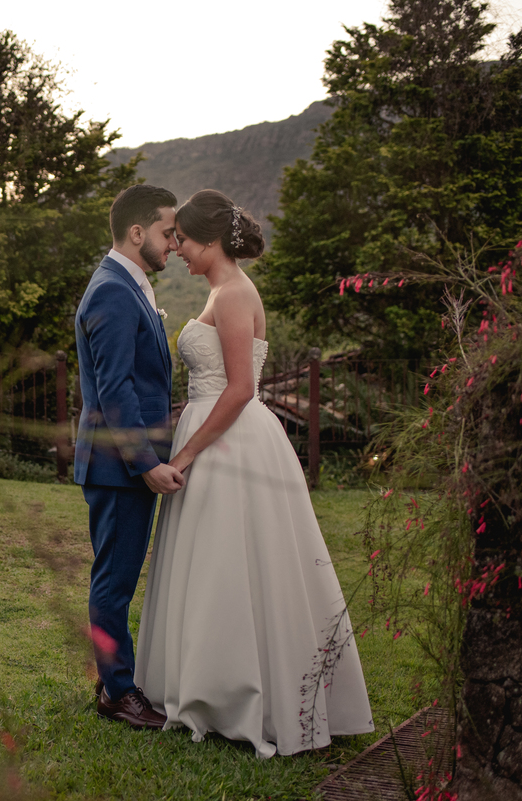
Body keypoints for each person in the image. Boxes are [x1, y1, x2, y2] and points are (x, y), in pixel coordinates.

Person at [133, 189, 374, 756]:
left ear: (211, 240)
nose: (178, 250)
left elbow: (242, 388)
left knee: (234, 562)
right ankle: (205, 680)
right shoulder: (221, 290)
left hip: (229, 443)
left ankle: (241, 694)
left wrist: (185, 456)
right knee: (214, 564)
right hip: (214, 434)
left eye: (183, 241)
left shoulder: (236, 293)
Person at [74, 184, 184, 730]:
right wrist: (146, 462)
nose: (174, 244)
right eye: (168, 233)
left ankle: (111, 678)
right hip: (118, 467)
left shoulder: (127, 285)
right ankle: (118, 693)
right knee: (114, 582)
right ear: (137, 232)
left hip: (122, 465)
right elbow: (114, 389)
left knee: (116, 575)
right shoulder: (113, 291)